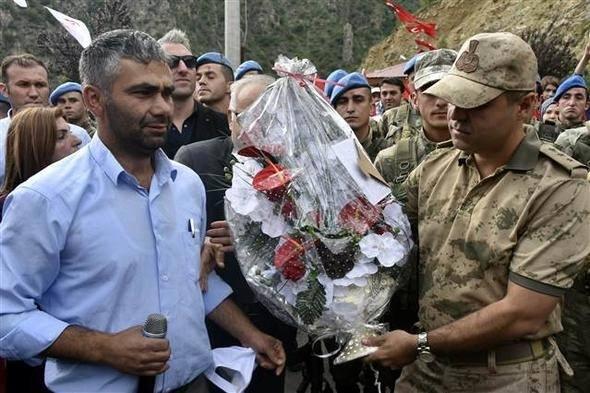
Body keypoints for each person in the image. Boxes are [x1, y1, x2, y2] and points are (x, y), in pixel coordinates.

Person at [0, 29, 285, 393]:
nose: (163, 107)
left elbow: (190, 279)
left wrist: (251, 336)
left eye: (166, 92)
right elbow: (7, 315)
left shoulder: (187, 184)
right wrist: (103, 348)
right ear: (94, 100)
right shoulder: (44, 198)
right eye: (143, 92)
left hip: (193, 382)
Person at [365, 32, 590, 393]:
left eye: (476, 103)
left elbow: (522, 313)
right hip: (426, 371)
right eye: (452, 98)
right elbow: (379, 241)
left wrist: (419, 343)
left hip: (505, 375)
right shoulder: (435, 169)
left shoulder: (561, 187)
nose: (456, 115)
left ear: (526, 106)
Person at [175, 74, 297, 393]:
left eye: (265, 116)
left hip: (276, 318)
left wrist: (256, 237)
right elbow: (179, 247)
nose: (254, 126)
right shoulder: (195, 161)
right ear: (230, 116)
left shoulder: (298, 168)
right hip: (214, 320)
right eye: (245, 116)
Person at [0, 106, 80, 393]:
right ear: (36, 148)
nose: (75, 141)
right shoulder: (13, 209)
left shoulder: (79, 201)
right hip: (36, 365)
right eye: (60, 136)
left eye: (70, 132)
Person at [375, 49, 456, 199]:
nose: (441, 102)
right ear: (414, 100)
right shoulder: (389, 162)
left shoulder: (485, 158)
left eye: (448, 88)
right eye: (430, 89)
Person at [0, 54, 90, 184]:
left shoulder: (78, 135)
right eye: (23, 85)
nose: (34, 93)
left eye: (40, 85)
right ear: (4, 90)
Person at [157, 30, 230, 158]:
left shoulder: (223, 126)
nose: (183, 69)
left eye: (189, 61)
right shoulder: (142, 126)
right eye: (172, 62)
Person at [331, 72, 391, 161]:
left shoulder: (390, 153)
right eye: (342, 102)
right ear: (334, 110)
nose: (350, 109)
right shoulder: (327, 155)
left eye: (358, 100)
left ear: (371, 108)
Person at [378, 54, 423, 144]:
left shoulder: (443, 111)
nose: (419, 83)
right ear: (408, 82)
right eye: (414, 78)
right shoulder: (389, 116)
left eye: (423, 78)